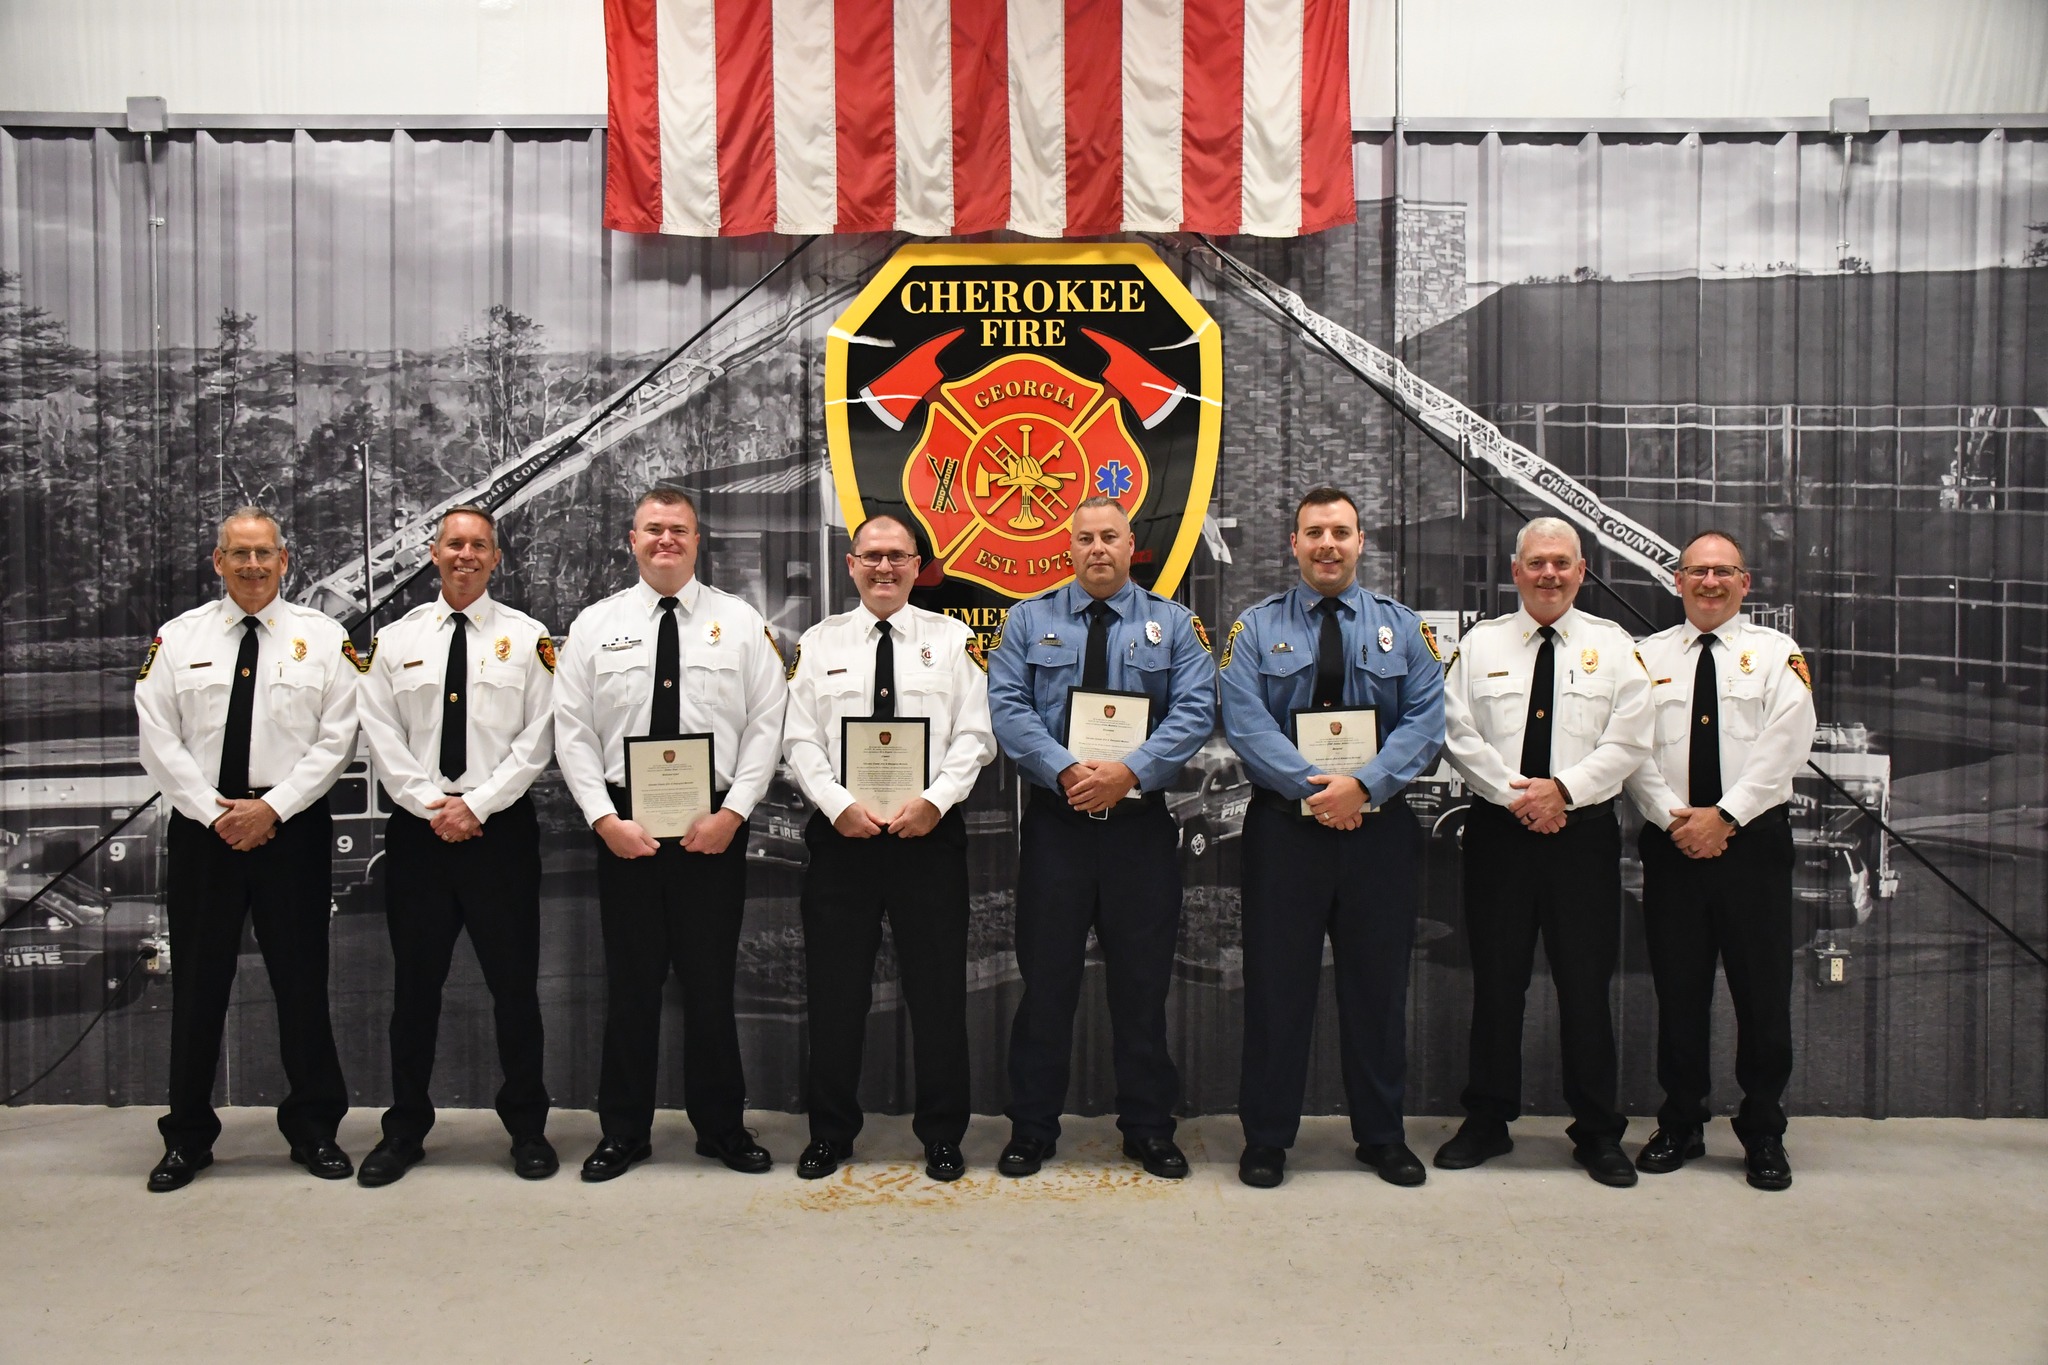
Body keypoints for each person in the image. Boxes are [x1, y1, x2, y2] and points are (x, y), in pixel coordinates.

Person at [553, 487, 788, 1181]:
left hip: (710, 827)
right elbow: (572, 731)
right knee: (630, 986)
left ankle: (721, 1126)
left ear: (697, 540)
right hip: (625, 828)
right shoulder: (595, 625)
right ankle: (623, 1130)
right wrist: (603, 820)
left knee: (711, 986)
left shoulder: (741, 623)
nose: (666, 540)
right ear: (631, 539)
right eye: (653, 529)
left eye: (678, 530)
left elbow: (765, 726)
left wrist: (734, 814)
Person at [1217, 487, 1446, 1189]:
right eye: (1314, 532)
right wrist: (1317, 789)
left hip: (1378, 835)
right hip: (1286, 832)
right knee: (1277, 989)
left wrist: (1365, 786)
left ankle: (1381, 1135)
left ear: (1360, 540)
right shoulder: (1254, 629)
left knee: (1377, 991)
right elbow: (1245, 720)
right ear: (1294, 544)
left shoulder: (1402, 628)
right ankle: (1267, 1139)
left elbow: (1425, 720)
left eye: (1340, 532)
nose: (1327, 544)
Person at [985, 496, 1217, 1180]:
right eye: (1084, 538)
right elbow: (1008, 704)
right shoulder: (1030, 620)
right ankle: (1032, 1126)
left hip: (1140, 829)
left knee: (1141, 987)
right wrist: (1063, 768)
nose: (1097, 549)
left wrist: (1130, 772)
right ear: (1069, 547)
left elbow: (1195, 710)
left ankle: (1147, 1125)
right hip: (1058, 825)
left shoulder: (1173, 625)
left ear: (1130, 545)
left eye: (1108, 537)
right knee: (1046, 983)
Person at [134, 507, 358, 1192]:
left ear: (285, 560)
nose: (253, 566)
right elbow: (156, 736)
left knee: (301, 982)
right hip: (207, 829)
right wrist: (214, 813)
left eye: (265, 554)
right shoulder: (177, 638)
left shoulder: (323, 638)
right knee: (199, 985)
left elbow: (339, 737)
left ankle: (315, 1128)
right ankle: (189, 1137)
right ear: (217, 560)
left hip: (290, 826)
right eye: (240, 554)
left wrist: (272, 809)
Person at [1437, 516, 1653, 1187]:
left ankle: (1597, 1131)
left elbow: (1629, 739)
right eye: (1537, 562)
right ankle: (1488, 1119)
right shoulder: (1481, 643)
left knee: (1586, 986)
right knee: (1496, 982)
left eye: (1562, 562)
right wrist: (1519, 796)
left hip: (1582, 835)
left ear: (1582, 571)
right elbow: (1455, 730)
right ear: (1515, 569)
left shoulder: (1614, 647)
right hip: (1500, 834)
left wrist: (1563, 791)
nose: (1550, 573)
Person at [781, 514, 996, 1182]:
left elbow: (976, 735)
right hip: (842, 839)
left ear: (917, 565)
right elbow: (799, 740)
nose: (883, 568)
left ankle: (941, 1133)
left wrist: (933, 801)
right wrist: (837, 805)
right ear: (851, 565)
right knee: (835, 992)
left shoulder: (954, 640)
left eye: (897, 557)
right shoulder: (818, 643)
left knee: (937, 994)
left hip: (927, 836)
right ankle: (830, 1132)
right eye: (871, 556)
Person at [353, 505, 559, 1185]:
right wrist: (431, 804)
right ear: (432, 552)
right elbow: (380, 734)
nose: (465, 555)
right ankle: (405, 1128)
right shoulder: (395, 640)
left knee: (515, 990)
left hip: (499, 832)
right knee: (413, 991)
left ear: (495, 558)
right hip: (419, 834)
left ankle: (527, 1129)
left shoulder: (528, 640)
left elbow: (539, 738)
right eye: (454, 544)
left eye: (479, 546)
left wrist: (476, 803)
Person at [1624, 530, 1815, 1191]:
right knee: (1679, 992)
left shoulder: (1775, 654)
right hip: (1673, 843)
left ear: (1745, 581)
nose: (1709, 582)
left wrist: (1724, 816)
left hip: (1752, 845)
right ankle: (1680, 1120)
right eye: (1696, 571)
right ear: (1676, 581)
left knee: (1762, 994)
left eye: (1722, 571)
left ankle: (1763, 1129)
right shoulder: (1644, 657)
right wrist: (1675, 818)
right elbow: (1631, 749)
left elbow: (1785, 746)